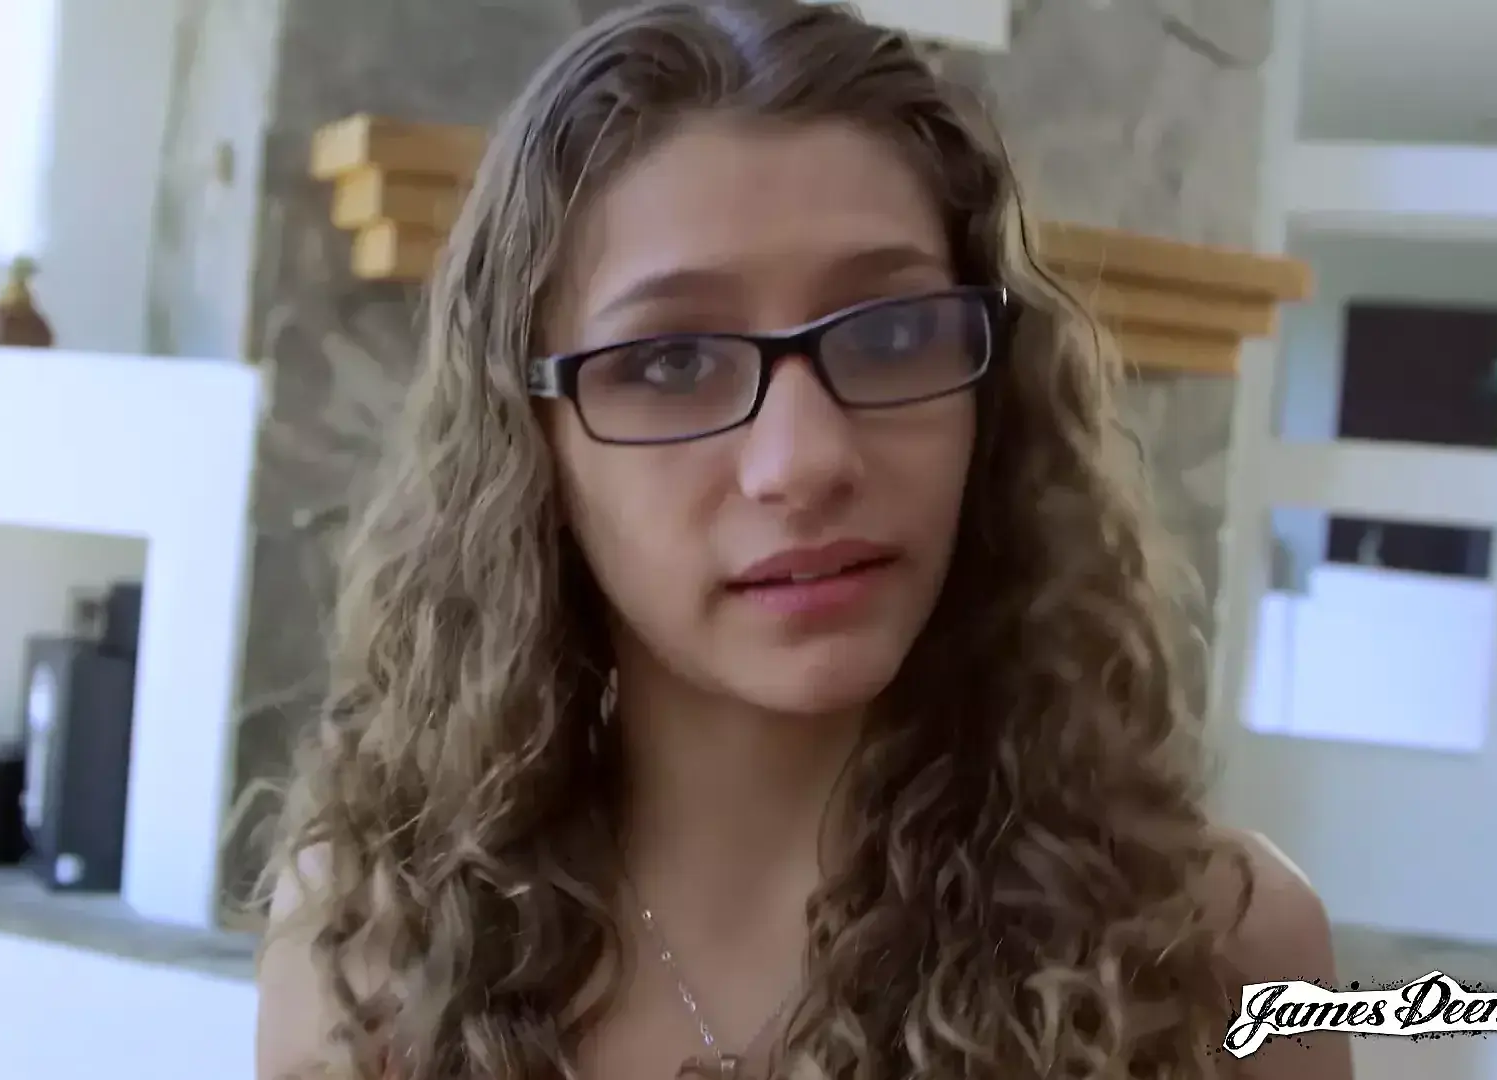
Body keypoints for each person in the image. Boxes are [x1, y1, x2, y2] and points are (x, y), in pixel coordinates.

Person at [258, 2, 1349, 1078]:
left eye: (893, 332)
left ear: (995, 402)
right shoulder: (369, 954)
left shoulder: (1222, 953)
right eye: (674, 361)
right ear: (529, 442)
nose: (805, 459)